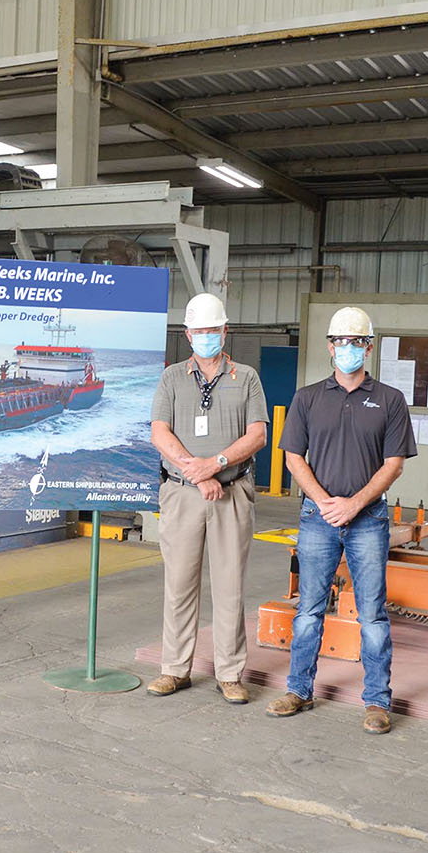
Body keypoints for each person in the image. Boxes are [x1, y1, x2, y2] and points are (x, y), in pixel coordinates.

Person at [267, 306, 416, 733]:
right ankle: (298, 690)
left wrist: (353, 504)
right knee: (309, 610)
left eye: (355, 341)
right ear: (329, 346)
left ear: (368, 347)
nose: (346, 348)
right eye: (340, 341)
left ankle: (377, 701)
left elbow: (393, 465)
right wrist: (325, 501)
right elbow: (293, 457)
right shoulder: (308, 397)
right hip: (317, 517)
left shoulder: (390, 400)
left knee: (372, 615)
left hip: (368, 519)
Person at [148, 293, 269, 704]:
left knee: (229, 587)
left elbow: (258, 435)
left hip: (232, 493)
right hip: (183, 494)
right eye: (198, 331)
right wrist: (196, 473)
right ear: (187, 334)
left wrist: (215, 464)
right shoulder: (172, 378)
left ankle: (230, 673)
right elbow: (159, 432)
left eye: (212, 330)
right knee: (179, 584)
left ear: (224, 330)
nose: (205, 336)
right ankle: (174, 669)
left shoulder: (247, 377)